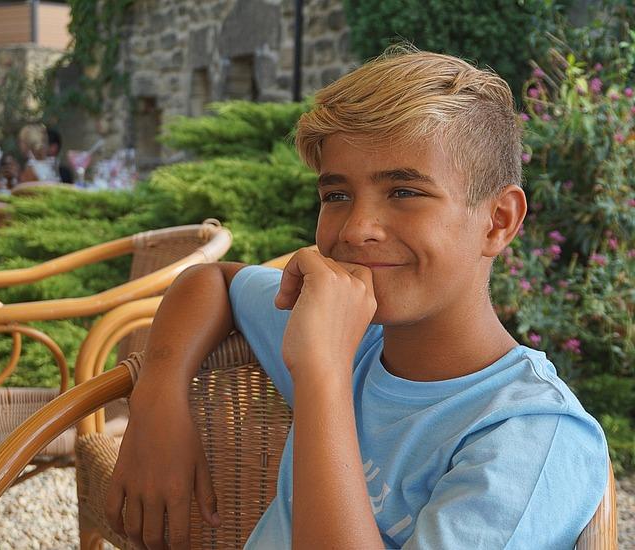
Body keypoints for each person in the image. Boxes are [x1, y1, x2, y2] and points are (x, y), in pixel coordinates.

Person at [105, 47, 608, 549]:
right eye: (337, 196)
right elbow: (210, 281)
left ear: (498, 221)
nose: (356, 228)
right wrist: (159, 399)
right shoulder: (356, 335)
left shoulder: (528, 437)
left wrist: (322, 369)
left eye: (405, 192)